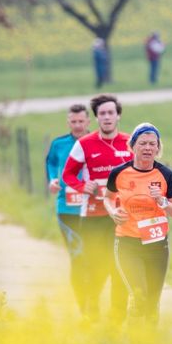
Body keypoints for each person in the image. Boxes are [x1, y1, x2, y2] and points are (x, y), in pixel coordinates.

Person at [104, 123, 172, 325]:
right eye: (143, 143)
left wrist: (162, 201)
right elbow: (108, 198)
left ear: (158, 148)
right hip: (127, 243)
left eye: (152, 144)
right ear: (133, 146)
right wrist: (113, 211)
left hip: (157, 245)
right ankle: (136, 341)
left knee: (152, 301)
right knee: (139, 296)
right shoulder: (119, 173)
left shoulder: (165, 175)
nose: (148, 148)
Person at [62, 94, 132, 323]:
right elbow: (67, 174)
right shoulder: (84, 144)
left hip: (121, 217)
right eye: (102, 113)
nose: (107, 117)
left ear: (118, 115)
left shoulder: (129, 142)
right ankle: (91, 315)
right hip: (92, 216)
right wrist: (84, 186)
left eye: (111, 112)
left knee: (119, 268)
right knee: (95, 269)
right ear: (97, 117)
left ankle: (117, 319)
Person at [45, 104, 91, 316]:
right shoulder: (59, 144)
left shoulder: (96, 144)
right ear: (68, 122)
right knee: (78, 256)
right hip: (67, 209)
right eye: (73, 122)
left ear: (88, 122)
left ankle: (94, 300)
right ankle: (83, 305)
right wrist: (53, 181)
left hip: (93, 210)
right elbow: (52, 166)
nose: (78, 125)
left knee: (96, 257)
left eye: (81, 121)